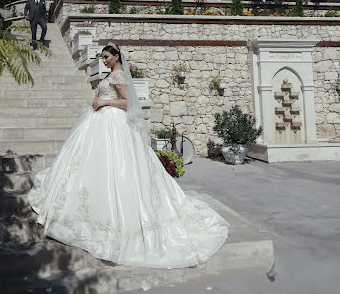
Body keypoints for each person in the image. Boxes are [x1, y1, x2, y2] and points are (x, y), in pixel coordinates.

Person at [28, 42, 228, 268]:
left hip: (114, 125)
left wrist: (104, 101)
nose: (103, 60)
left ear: (116, 56)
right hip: (100, 122)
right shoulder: (110, 75)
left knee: (119, 169)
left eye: (106, 57)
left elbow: (127, 102)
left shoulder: (119, 75)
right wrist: (98, 101)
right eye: (102, 57)